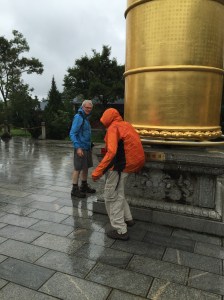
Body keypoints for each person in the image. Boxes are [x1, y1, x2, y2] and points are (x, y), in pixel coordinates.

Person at [92, 108, 145, 240]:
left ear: (107, 119)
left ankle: (120, 230)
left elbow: (111, 153)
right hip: (129, 165)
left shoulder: (113, 128)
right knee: (119, 193)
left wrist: (97, 172)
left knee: (111, 197)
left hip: (120, 167)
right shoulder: (126, 125)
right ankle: (128, 219)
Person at [69, 100, 96, 198]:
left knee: (85, 167)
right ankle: (74, 189)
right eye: (87, 108)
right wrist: (78, 147)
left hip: (87, 147)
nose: (89, 109)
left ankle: (84, 186)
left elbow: (84, 133)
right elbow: (72, 133)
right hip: (80, 147)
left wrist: (90, 144)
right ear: (82, 107)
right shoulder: (79, 117)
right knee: (78, 168)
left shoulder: (85, 118)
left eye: (90, 108)